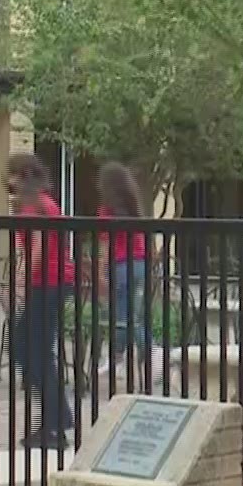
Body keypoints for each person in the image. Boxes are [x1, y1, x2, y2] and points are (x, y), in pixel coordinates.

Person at [6, 153, 75, 450]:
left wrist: (19, 284)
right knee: (34, 351)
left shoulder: (34, 205)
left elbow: (34, 246)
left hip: (47, 283)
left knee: (29, 350)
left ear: (20, 175)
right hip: (53, 283)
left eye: (10, 175)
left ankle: (55, 422)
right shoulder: (42, 201)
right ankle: (54, 421)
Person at [96, 162, 159, 393]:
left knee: (124, 317)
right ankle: (118, 359)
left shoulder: (107, 210)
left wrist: (101, 273)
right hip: (140, 265)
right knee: (126, 315)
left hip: (121, 266)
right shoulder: (135, 208)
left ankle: (152, 352)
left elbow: (105, 244)